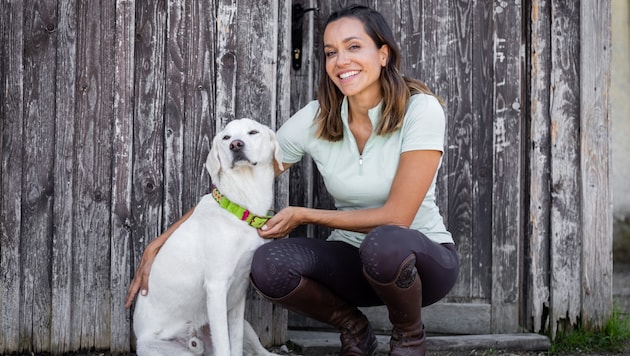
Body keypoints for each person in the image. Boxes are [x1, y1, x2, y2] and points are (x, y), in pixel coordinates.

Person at [126, 5, 459, 356]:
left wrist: (305, 215)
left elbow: (398, 217)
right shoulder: (317, 117)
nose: (340, 60)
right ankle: (354, 328)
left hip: (421, 261)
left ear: (383, 53)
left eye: (353, 47)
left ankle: (409, 338)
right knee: (267, 263)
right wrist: (160, 243)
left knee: (385, 243)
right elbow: (233, 184)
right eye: (331, 53)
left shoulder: (420, 110)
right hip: (353, 258)